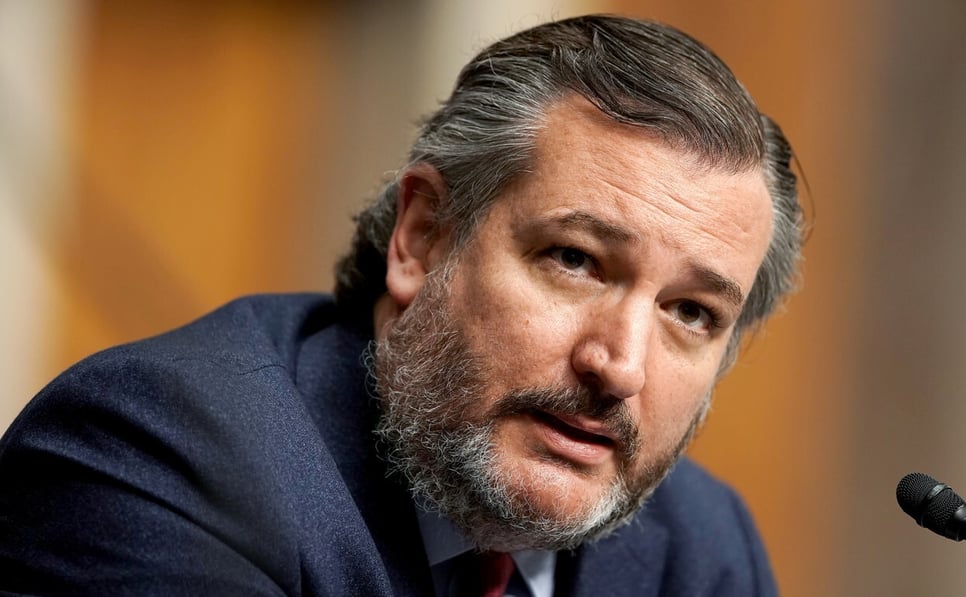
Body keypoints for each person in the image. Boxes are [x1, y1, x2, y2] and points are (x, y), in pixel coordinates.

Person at [0, 14, 803, 597]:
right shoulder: (162, 456)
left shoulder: (699, 550)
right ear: (423, 236)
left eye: (691, 313)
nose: (619, 364)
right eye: (575, 260)